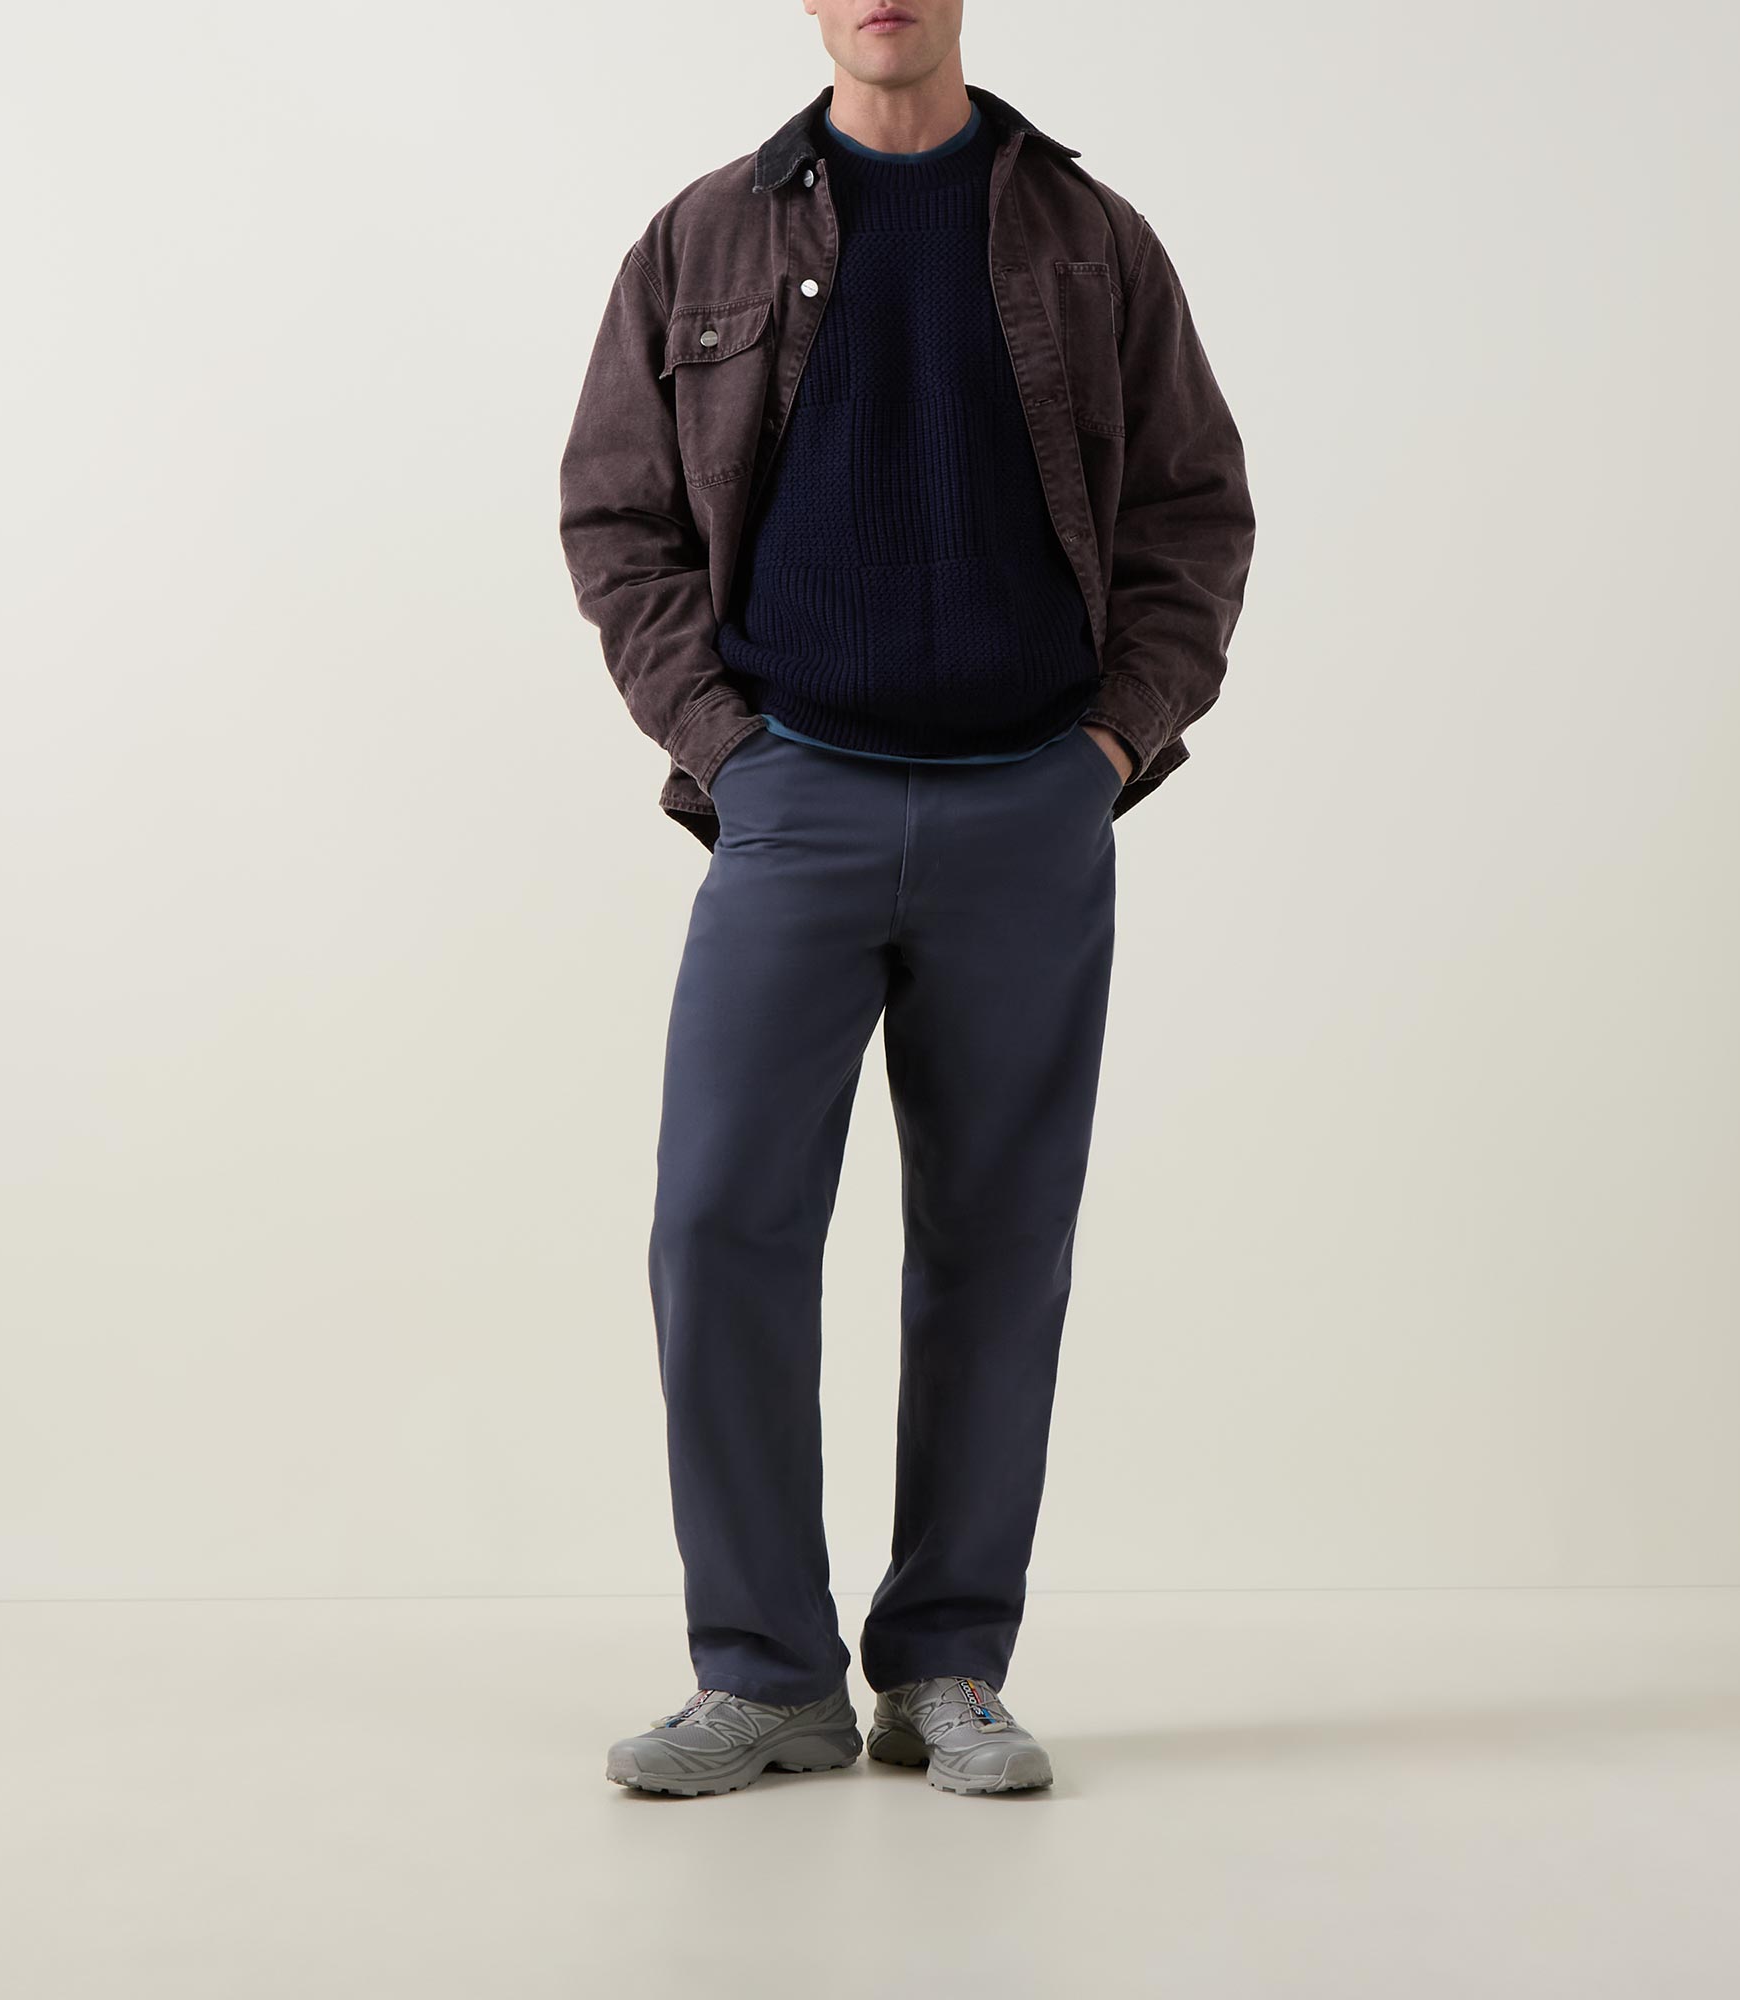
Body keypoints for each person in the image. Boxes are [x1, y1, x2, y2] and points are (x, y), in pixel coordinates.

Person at [557, 0, 1255, 1798]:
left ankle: (947, 1664)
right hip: (790, 795)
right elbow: (617, 521)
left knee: (996, 1246)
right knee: (720, 1223)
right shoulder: (703, 236)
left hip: (1031, 803)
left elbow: (1195, 515)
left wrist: (1106, 748)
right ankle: (766, 1676)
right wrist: (728, 747)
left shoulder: (1091, 238)